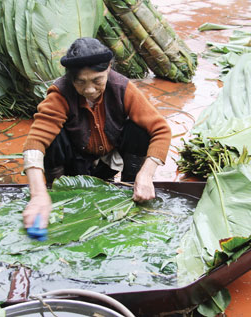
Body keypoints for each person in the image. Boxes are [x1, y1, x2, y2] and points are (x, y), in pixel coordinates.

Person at [22, 37, 171, 229]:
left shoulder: (122, 88)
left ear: (108, 68)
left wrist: (146, 174)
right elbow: (34, 143)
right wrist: (38, 194)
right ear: (71, 78)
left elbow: (162, 130)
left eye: (97, 80)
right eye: (80, 82)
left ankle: (132, 184)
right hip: (75, 164)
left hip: (107, 161)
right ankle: (56, 188)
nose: (89, 89)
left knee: (140, 129)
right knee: (51, 138)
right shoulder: (61, 93)